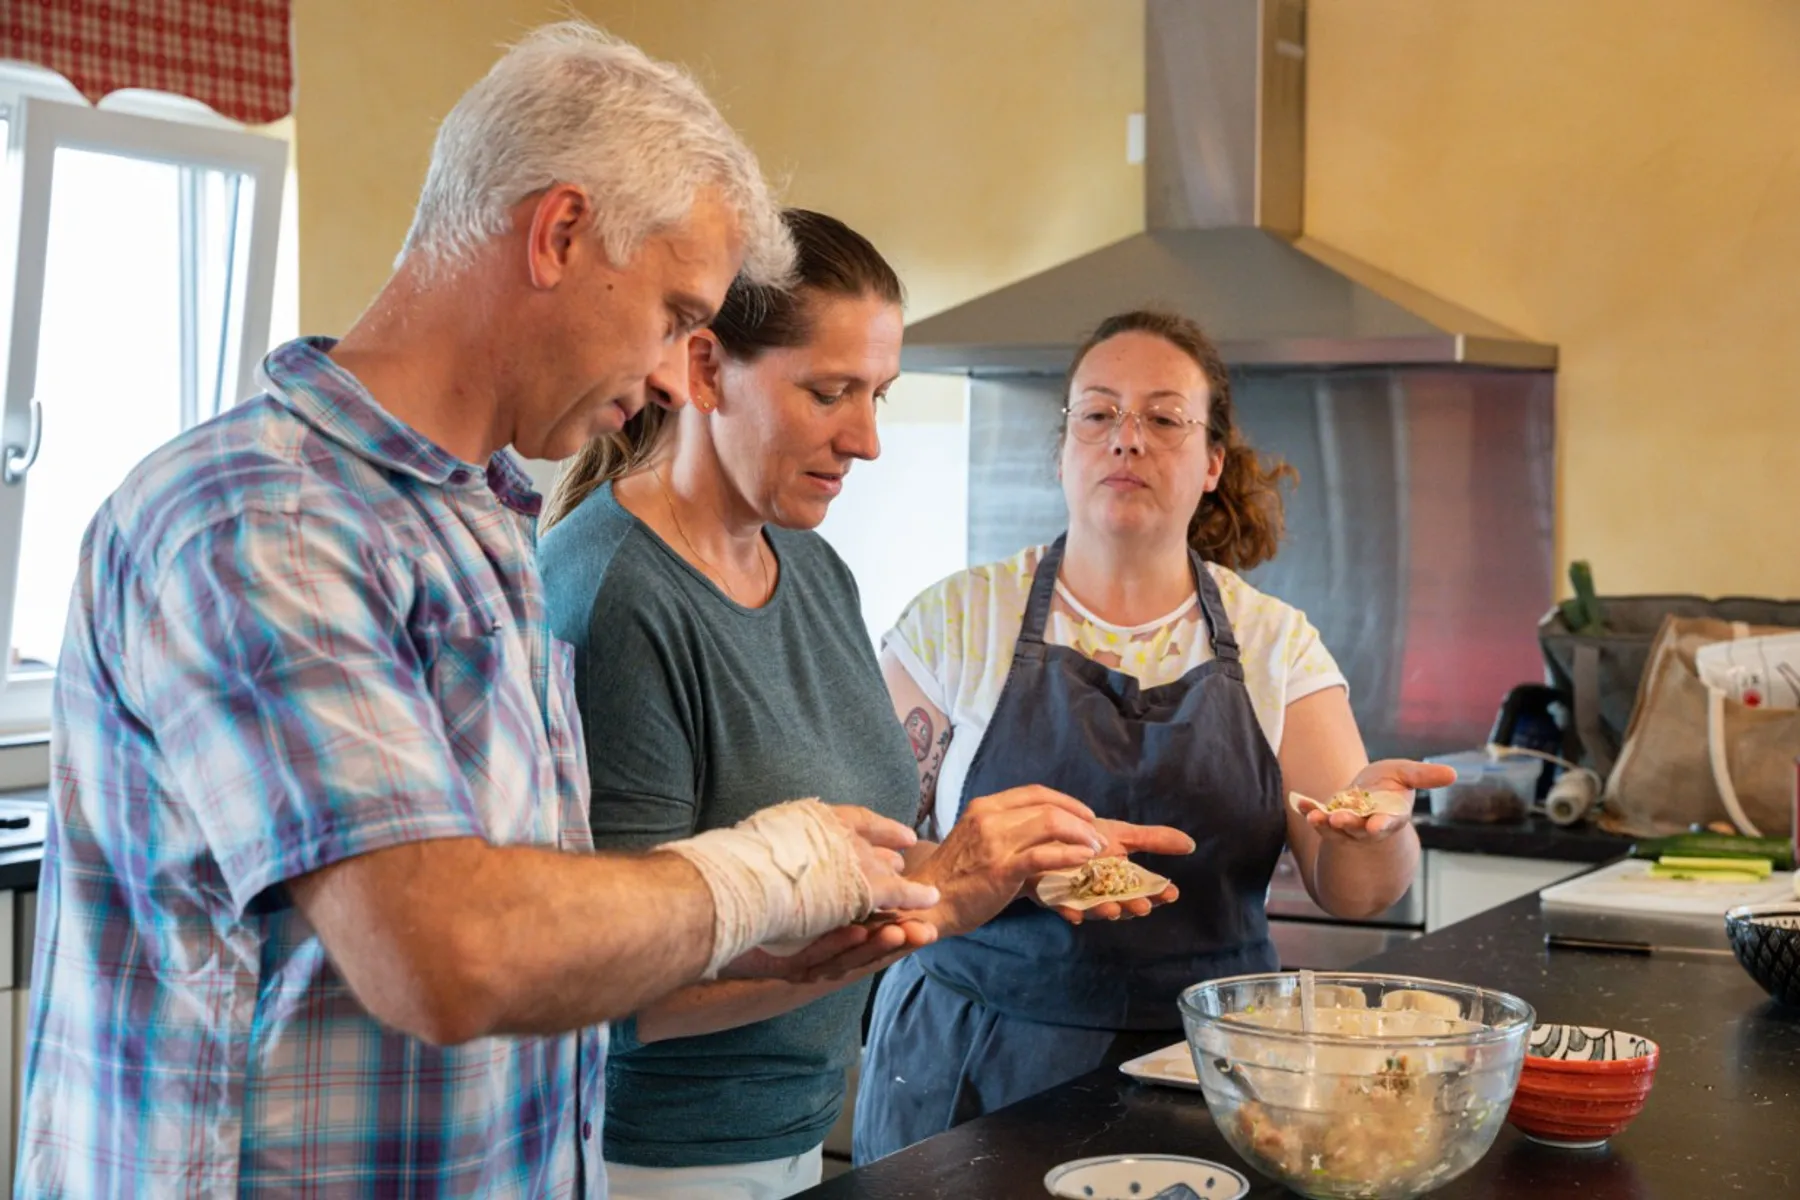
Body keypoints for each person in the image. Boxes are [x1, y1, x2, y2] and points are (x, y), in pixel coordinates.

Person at [16, 23, 944, 1197]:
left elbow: (540, 931)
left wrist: (777, 937)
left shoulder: (480, 525)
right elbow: (446, 955)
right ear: (558, 235)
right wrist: (767, 871)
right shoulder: (264, 519)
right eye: (671, 313)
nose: (673, 377)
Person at [538, 210, 1192, 1199]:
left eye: (879, 394)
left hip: (796, 1132)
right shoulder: (617, 595)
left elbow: (843, 871)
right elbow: (619, 985)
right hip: (654, 1159)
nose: (869, 439)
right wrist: (942, 907)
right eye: (829, 392)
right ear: (706, 369)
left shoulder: (811, 566)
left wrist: (1006, 869)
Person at [852, 309, 1459, 1161]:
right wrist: (1001, 872)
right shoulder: (954, 624)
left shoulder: (1277, 645)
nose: (1125, 440)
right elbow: (869, 857)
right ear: (1063, 451)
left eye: (1164, 418)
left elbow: (1354, 890)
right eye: (1097, 414)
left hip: (1205, 1068)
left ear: (1212, 463)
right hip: (970, 1060)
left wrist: (1381, 830)